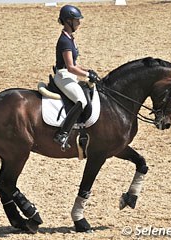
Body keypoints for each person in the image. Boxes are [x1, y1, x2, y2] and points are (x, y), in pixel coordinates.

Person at [53, 5, 100, 150]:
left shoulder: (70, 38)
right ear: (68, 21)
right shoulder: (65, 41)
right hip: (63, 76)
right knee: (81, 101)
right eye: (76, 20)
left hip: (69, 75)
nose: (79, 23)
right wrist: (86, 75)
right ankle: (62, 134)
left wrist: (88, 70)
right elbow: (70, 67)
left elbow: (76, 64)